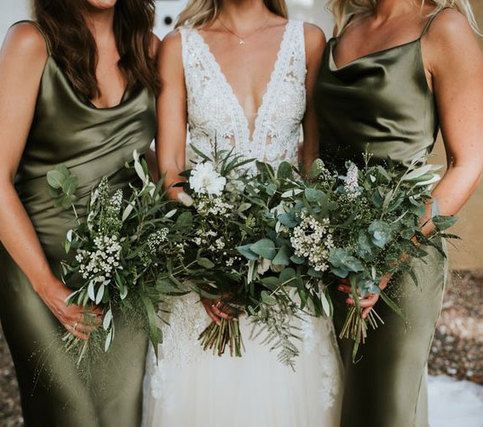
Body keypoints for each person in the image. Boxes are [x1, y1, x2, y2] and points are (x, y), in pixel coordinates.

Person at [142, 0, 343, 426]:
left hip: (289, 272)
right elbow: (171, 167)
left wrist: (302, 244)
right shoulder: (180, 48)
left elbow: (314, 160)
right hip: (205, 273)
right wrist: (208, 267)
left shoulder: (308, 41)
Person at [315, 1, 483, 426]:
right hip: (329, 249)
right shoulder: (346, 23)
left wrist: (388, 256)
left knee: (381, 407)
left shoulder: (443, 28)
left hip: (404, 251)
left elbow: (469, 162)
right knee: (336, 400)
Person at [0, 0, 159, 425]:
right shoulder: (31, 43)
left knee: (120, 416)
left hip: (123, 273)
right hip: (37, 268)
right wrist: (48, 287)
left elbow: (152, 163)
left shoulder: (149, 49)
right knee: (70, 416)